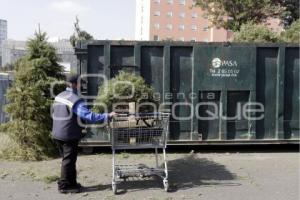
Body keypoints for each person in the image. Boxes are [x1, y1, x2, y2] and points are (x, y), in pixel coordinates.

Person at [52, 74, 115, 194]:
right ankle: (64, 186)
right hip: (68, 134)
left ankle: (72, 183)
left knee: (68, 160)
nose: (81, 86)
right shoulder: (74, 99)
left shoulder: (60, 95)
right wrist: (107, 116)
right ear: (75, 84)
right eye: (80, 83)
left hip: (58, 133)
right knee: (68, 161)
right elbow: (88, 115)